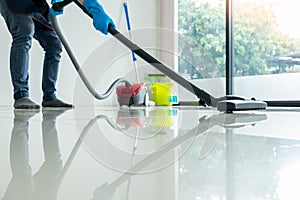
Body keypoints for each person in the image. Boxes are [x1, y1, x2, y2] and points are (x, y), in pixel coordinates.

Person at [0, 0, 115, 109]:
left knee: (54, 45)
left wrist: (96, 10)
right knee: (25, 31)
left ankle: (49, 97)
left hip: (36, 3)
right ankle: (21, 94)